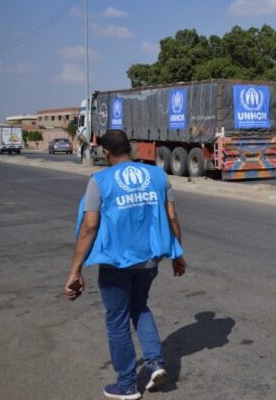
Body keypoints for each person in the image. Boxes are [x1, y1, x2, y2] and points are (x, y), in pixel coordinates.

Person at [64, 130, 186, 400]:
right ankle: (155, 362)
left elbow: (89, 226)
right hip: (149, 260)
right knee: (139, 306)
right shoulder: (158, 175)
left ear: (106, 152)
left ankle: (127, 384)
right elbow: (173, 217)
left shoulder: (99, 181)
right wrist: (178, 254)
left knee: (117, 320)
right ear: (129, 148)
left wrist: (76, 269)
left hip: (115, 263)